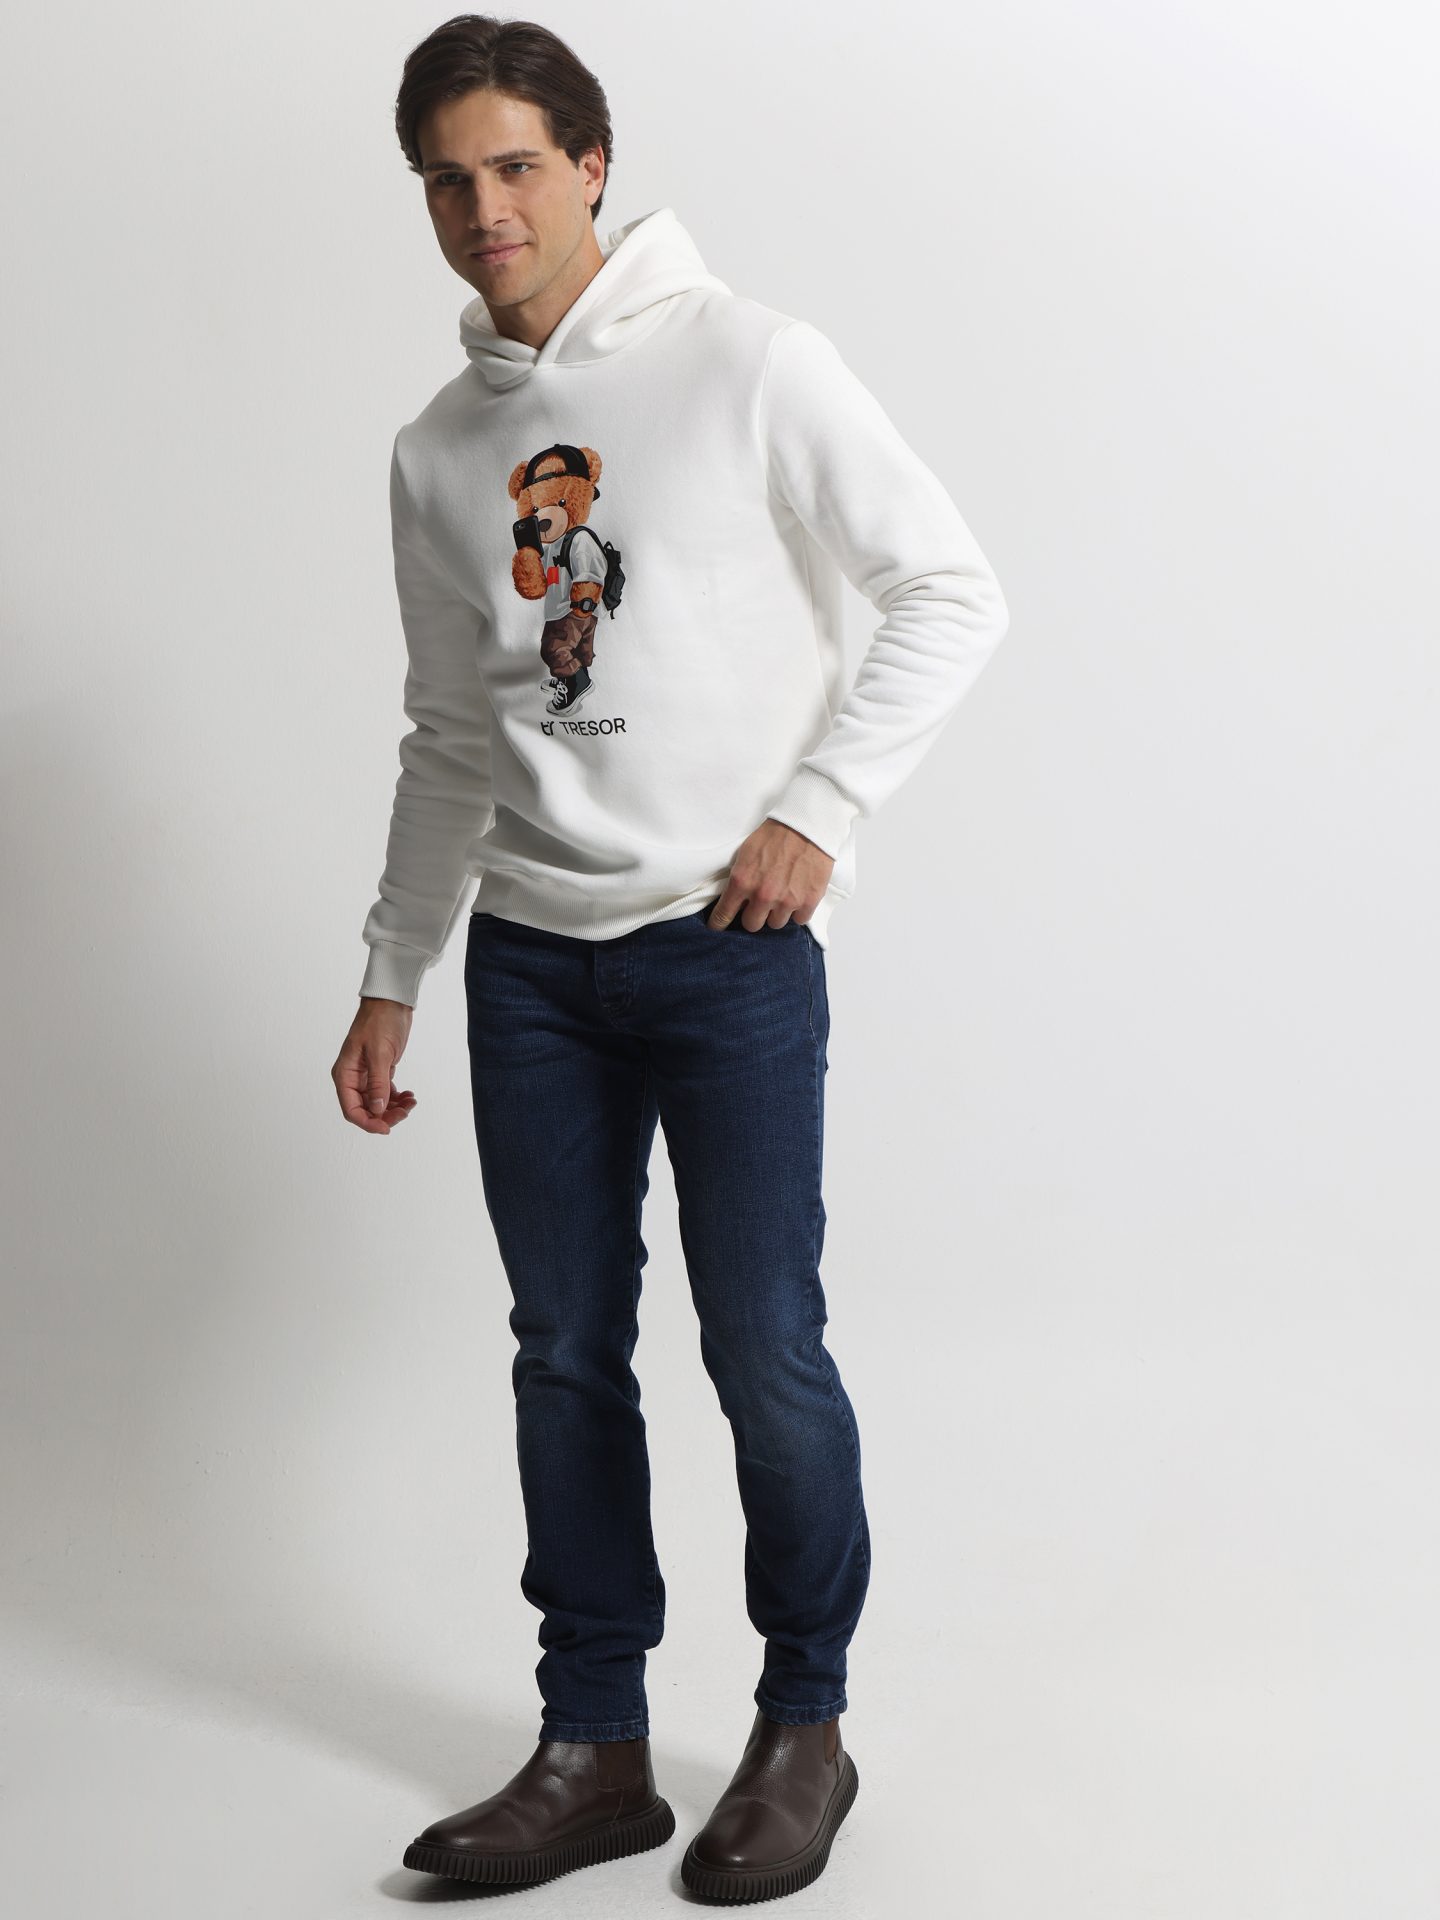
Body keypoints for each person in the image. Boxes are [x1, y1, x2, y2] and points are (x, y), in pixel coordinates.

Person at [330, 14, 1010, 1903]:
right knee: (564, 1355)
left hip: (726, 951)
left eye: (515, 165)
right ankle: (595, 1749)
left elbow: (951, 588)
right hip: (530, 970)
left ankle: (806, 1727)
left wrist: (822, 810)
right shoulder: (437, 451)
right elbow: (448, 735)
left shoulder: (750, 362)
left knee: (763, 1349)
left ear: (593, 163)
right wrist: (394, 970)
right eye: (448, 180)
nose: (485, 207)